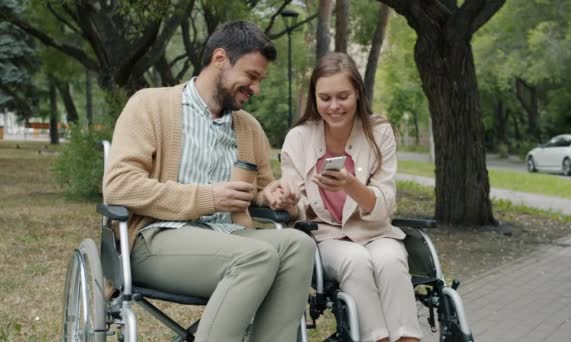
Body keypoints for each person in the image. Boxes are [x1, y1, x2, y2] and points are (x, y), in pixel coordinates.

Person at [103, 21, 315, 342]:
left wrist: (274, 195)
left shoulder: (248, 127)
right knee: (256, 257)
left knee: (299, 246)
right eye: (251, 76)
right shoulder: (150, 105)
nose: (255, 88)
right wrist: (208, 198)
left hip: (231, 237)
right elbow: (120, 186)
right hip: (156, 238)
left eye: (260, 80)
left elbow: (259, 191)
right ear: (220, 59)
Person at [279, 52, 423, 342]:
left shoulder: (379, 132)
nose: (333, 106)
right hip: (326, 237)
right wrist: (288, 202)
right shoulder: (298, 137)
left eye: (342, 96)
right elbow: (298, 209)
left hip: (375, 232)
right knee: (355, 260)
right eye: (325, 98)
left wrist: (350, 186)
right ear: (314, 98)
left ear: (357, 92)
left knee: (391, 261)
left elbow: (385, 204)